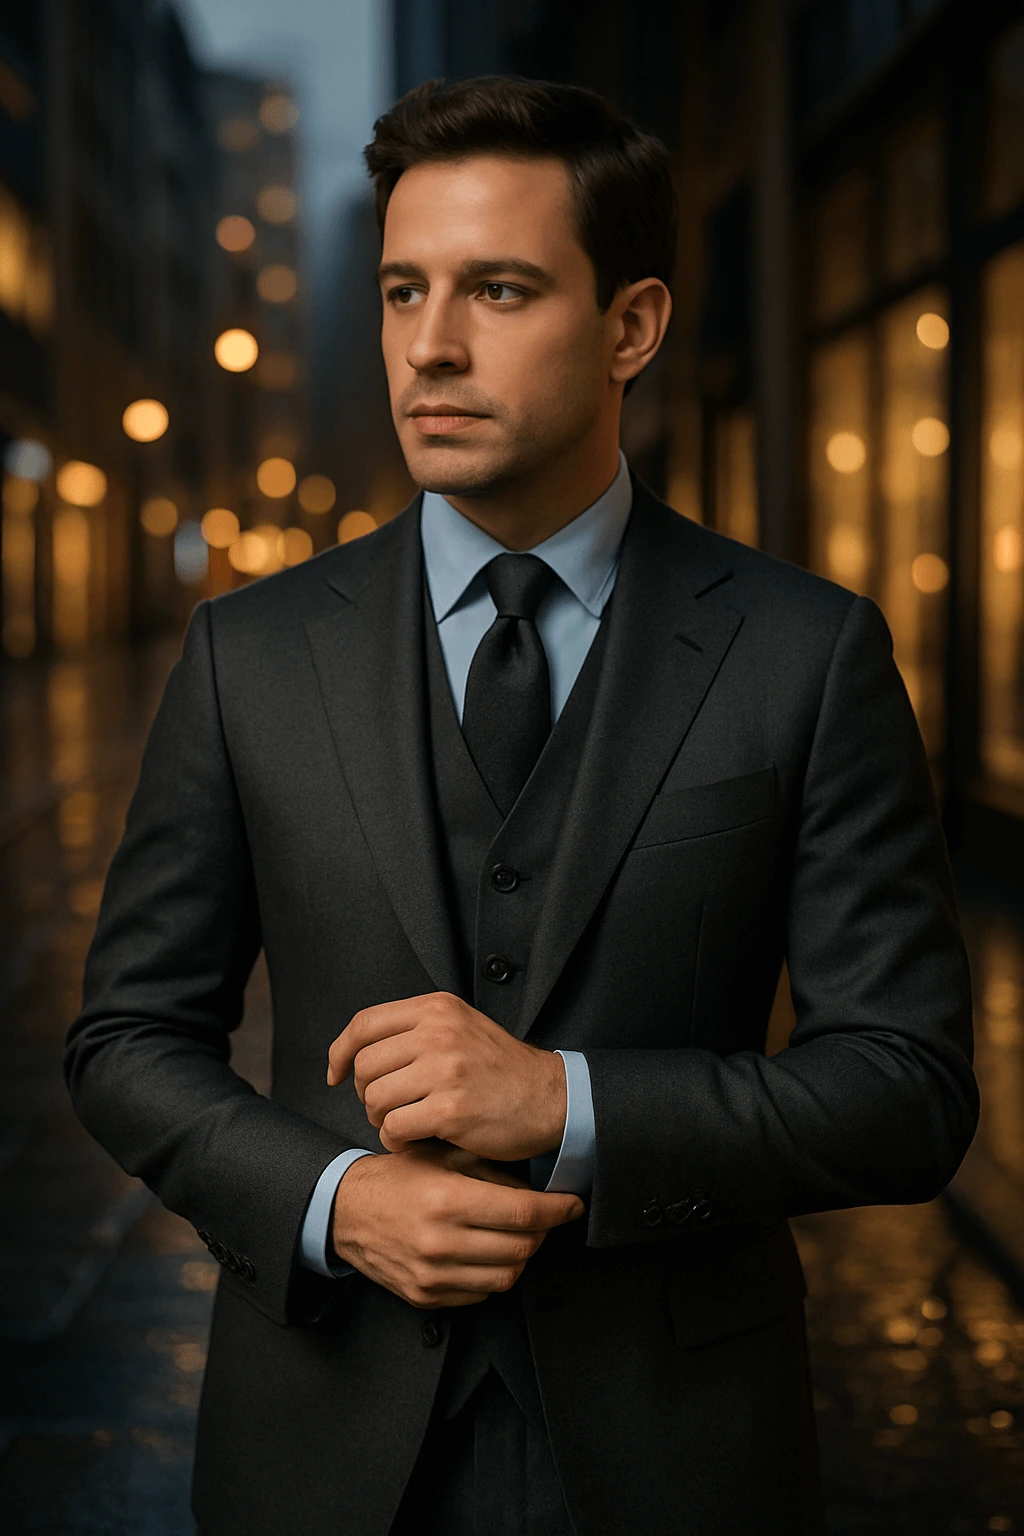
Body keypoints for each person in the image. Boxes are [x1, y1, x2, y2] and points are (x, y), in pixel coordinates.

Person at [66, 76, 977, 1536]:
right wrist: (331, 1201)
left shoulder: (806, 654)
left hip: (680, 1460)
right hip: (315, 1450)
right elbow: (125, 1039)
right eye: (402, 291)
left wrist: (570, 1102)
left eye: (498, 290)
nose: (430, 345)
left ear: (632, 327)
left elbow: (908, 1091)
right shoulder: (249, 654)